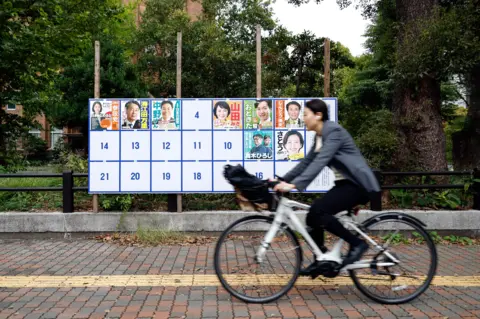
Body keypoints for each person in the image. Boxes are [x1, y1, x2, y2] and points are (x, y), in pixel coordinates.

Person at [272, 99, 380, 274]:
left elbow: (321, 162)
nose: (303, 119)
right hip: (346, 185)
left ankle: (357, 244)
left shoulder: (333, 131)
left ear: (318, 115)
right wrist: (281, 179)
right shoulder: (320, 136)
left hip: (358, 185)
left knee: (319, 211)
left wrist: (294, 185)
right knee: (312, 216)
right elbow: (307, 162)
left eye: (305, 115)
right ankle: (321, 259)